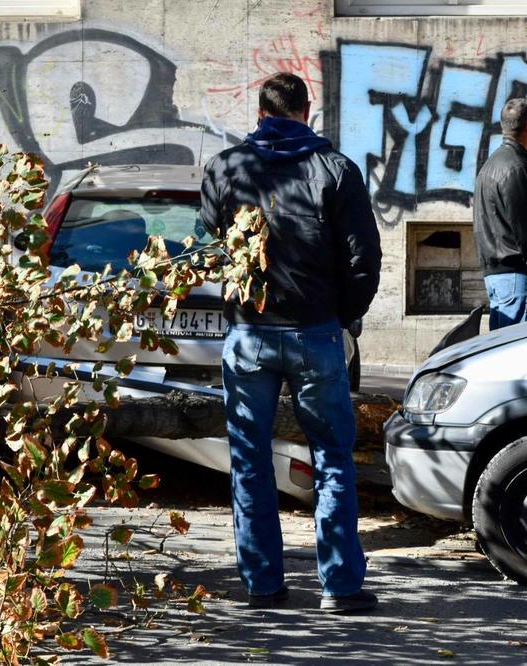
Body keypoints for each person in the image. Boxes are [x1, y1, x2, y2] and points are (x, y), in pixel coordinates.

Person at [200, 73, 382, 613]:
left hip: (249, 334)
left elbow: (208, 245)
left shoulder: (226, 167)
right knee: (331, 459)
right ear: (308, 111)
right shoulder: (335, 169)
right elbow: (363, 259)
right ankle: (341, 587)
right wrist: (343, 320)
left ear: (259, 114)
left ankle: (263, 585)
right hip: (314, 332)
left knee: (250, 462)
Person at [473, 98, 527, 330]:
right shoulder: (515, 168)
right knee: (512, 351)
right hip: (516, 274)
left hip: (501, 273)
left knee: (500, 349)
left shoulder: (492, 165)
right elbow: (526, 229)